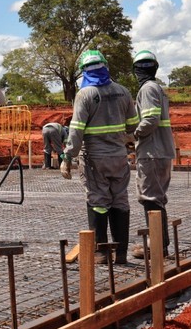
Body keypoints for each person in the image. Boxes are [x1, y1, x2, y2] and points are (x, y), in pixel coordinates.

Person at [61, 50, 138, 265]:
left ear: (84, 71)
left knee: (98, 201)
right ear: (106, 66)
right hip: (119, 157)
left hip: (94, 159)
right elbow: (133, 125)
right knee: (120, 200)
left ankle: (101, 253)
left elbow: (76, 130)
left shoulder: (85, 94)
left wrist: (67, 157)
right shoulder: (123, 92)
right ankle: (121, 254)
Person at [130, 50, 175, 259]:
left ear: (136, 70)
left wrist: (133, 135)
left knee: (150, 198)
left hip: (152, 152)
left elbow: (150, 120)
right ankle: (159, 244)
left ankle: (157, 247)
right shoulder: (158, 88)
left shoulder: (147, 89)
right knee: (156, 199)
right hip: (161, 151)